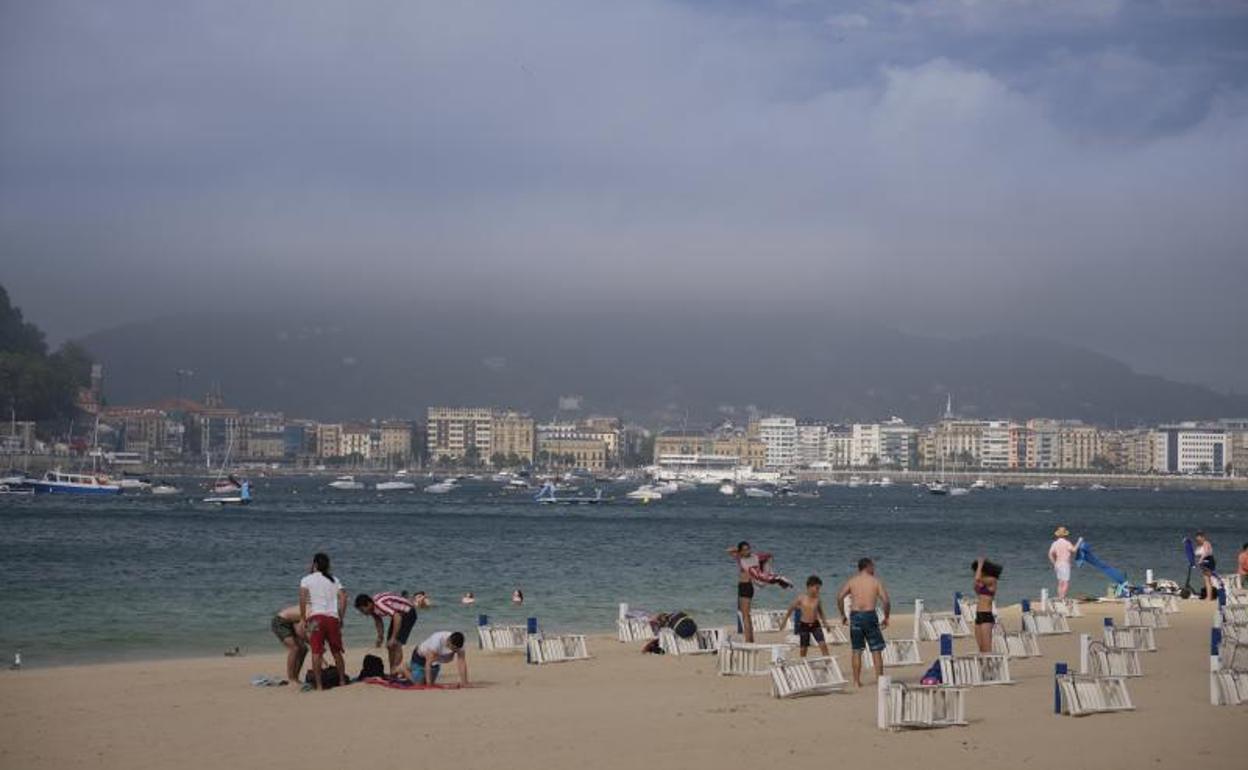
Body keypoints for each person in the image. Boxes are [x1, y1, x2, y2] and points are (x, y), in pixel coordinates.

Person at [836, 558, 890, 688]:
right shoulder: (875, 581)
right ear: (868, 566)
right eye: (873, 566)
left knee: (857, 650)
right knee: (876, 649)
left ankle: (856, 682)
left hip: (855, 616)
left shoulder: (852, 581)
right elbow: (886, 601)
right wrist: (886, 617)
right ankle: (879, 681)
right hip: (869, 616)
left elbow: (839, 597)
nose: (874, 569)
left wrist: (843, 614)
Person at [299, 552, 348, 691]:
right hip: (332, 619)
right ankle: (342, 680)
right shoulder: (334, 579)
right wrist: (341, 617)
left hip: (316, 619)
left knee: (316, 652)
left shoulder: (306, 579)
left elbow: (302, 599)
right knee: (336, 652)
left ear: (314, 564)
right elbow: (344, 597)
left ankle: (319, 685)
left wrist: (303, 618)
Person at [726, 541, 793, 643]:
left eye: (748, 549)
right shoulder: (740, 558)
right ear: (740, 551)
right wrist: (739, 551)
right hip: (743, 587)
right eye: (744, 549)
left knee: (745, 616)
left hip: (746, 587)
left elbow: (769, 556)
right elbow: (728, 551)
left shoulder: (754, 557)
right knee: (746, 615)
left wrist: (767, 571)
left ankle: (749, 641)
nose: (747, 551)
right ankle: (750, 639)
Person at [354, 591, 418, 675]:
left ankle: (396, 670)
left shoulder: (380, 604)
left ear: (369, 604)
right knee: (389, 645)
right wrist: (380, 637)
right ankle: (393, 670)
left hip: (408, 613)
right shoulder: (372, 608)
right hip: (399, 614)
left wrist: (393, 637)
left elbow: (397, 617)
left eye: (363, 610)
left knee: (396, 643)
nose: (363, 613)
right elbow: (378, 620)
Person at [779, 575, 830, 658]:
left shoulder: (817, 599)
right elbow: (790, 609)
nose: (818, 590)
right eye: (817, 588)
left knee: (823, 645)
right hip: (804, 625)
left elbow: (821, 613)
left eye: (819, 588)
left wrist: (826, 624)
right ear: (810, 587)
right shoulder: (801, 598)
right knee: (803, 649)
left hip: (815, 625)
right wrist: (784, 622)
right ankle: (803, 664)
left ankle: (828, 664)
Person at [270, 604, 308, 685]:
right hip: (280, 621)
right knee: (294, 648)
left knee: (304, 649)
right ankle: (291, 679)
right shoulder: (310, 611)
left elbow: (299, 627)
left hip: (291, 623)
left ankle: (295, 677)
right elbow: (300, 632)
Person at [971, 556, 1002, 654]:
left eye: (978, 570)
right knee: (981, 648)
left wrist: (980, 565)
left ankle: (990, 668)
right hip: (978, 616)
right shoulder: (981, 584)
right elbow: (976, 584)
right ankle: (983, 669)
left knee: (986, 649)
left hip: (986, 616)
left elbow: (977, 579)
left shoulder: (992, 580)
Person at [1048, 527, 1077, 600]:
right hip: (1065, 564)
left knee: (1060, 582)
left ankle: (1059, 596)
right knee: (1066, 582)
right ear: (1065, 535)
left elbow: (1050, 554)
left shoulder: (1055, 543)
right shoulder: (1067, 543)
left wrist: (1054, 563)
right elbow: (1074, 550)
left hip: (1057, 564)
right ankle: (1062, 597)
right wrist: (1079, 542)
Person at [1194, 531, 1216, 600]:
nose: (1198, 541)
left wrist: (1200, 559)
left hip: (1208, 562)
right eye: (1197, 540)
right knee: (1207, 580)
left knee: (1207, 580)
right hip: (1203, 563)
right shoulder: (1199, 545)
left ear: (1203, 537)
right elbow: (1196, 553)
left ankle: (1209, 597)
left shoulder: (1206, 543)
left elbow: (1206, 552)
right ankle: (1210, 595)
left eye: (1199, 539)